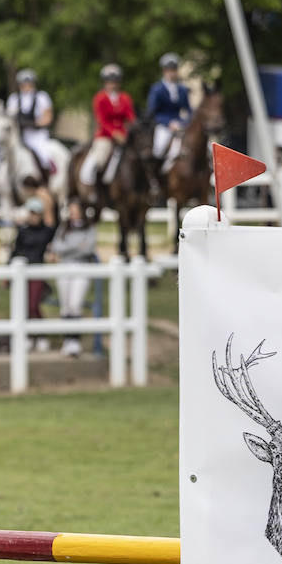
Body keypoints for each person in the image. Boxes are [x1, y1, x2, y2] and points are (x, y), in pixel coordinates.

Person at [10, 196, 58, 351]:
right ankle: (30, 336)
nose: (33, 216)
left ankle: (40, 335)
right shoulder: (23, 231)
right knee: (23, 305)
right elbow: (15, 251)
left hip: (37, 271)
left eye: (36, 213)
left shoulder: (47, 231)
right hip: (21, 272)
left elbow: (56, 233)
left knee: (33, 304)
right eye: (31, 213)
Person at [80, 64, 136, 192]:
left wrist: (128, 130)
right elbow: (101, 120)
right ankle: (93, 188)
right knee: (99, 158)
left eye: (115, 82)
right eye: (109, 82)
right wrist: (114, 133)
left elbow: (131, 116)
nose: (112, 85)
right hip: (105, 135)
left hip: (124, 136)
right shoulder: (100, 98)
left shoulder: (125, 98)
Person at [52, 200, 97, 357]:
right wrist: (77, 247)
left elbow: (88, 248)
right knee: (65, 305)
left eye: (75, 210)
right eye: (71, 211)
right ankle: (67, 340)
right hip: (64, 268)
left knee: (75, 304)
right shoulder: (64, 228)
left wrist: (68, 249)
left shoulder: (89, 228)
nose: (73, 214)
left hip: (81, 267)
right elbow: (57, 247)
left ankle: (75, 340)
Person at [144, 53, 191, 171]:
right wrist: (169, 123)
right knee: (159, 148)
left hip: (181, 124)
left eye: (174, 70)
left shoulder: (182, 89)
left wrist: (185, 122)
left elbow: (188, 109)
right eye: (169, 70)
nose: (172, 73)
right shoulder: (157, 89)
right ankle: (156, 177)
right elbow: (153, 112)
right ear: (164, 71)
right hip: (164, 125)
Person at [6, 69, 55, 176]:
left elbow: (48, 118)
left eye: (29, 83)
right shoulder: (14, 99)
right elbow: (9, 118)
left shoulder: (42, 97)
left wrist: (34, 124)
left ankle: (47, 176)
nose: (26, 86)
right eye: (24, 84)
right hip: (19, 135)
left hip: (37, 135)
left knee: (44, 155)